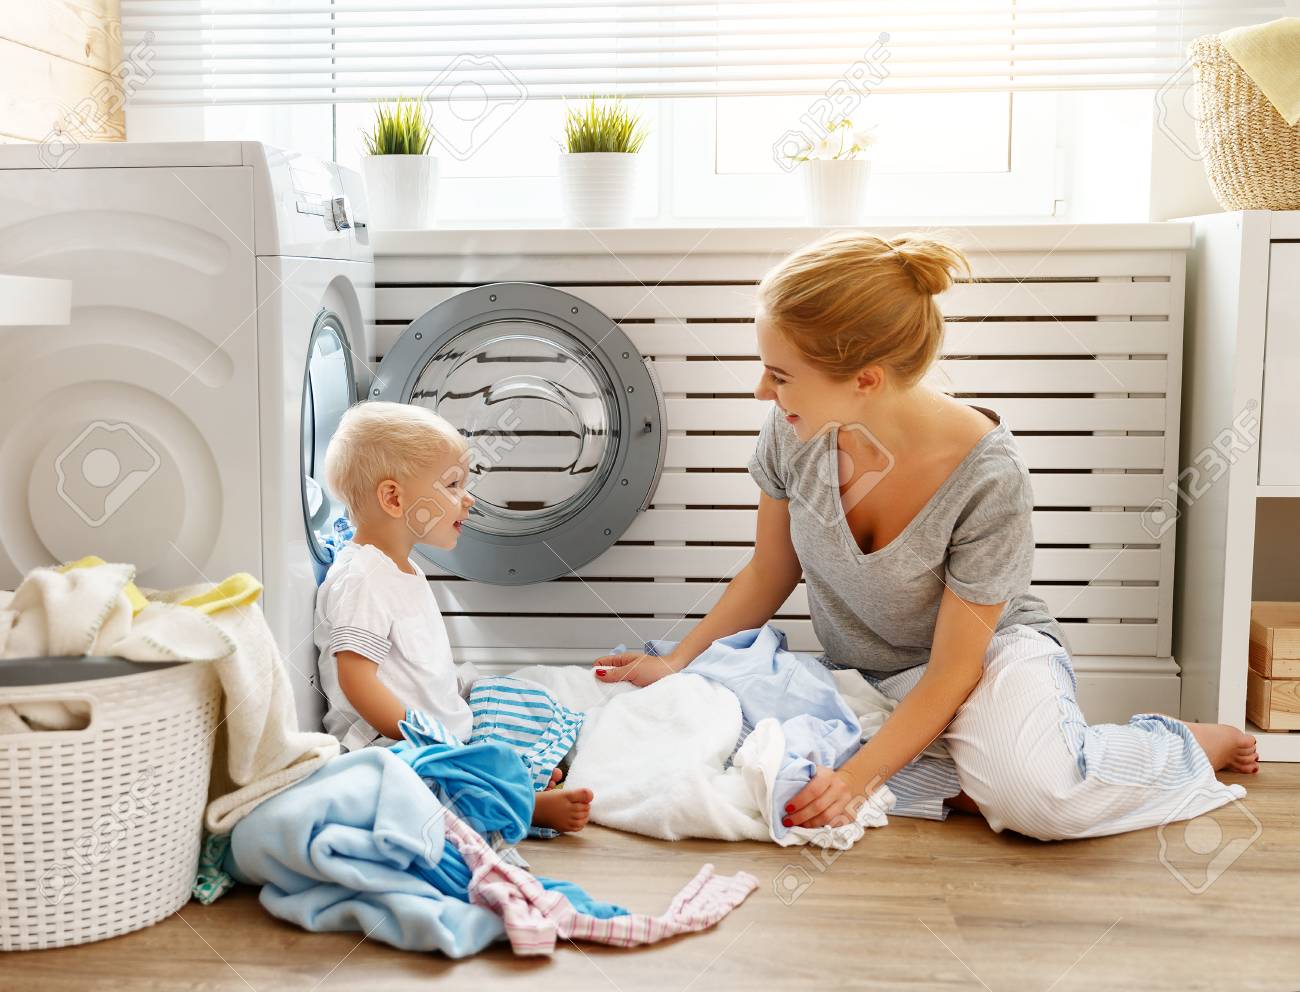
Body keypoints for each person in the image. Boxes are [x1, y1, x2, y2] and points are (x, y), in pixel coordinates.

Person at [593, 230, 1258, 841]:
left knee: (1042, 803)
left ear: (866, 381)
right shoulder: (792, 433)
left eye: (781, 373)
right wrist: (679, 663)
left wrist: (859, 780)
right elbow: (770, 571)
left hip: (985, 659)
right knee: (751, 751)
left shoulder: (989, 478)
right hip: (877, 676)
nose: (762, 390)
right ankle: (978, 773)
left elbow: (953, 669)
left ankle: (1180, 744)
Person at [315, 401, 592, 833]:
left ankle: (511, 772)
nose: (468, 499)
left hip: (433, 728)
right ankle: (525, 805)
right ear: (393, 498)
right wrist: (424, 736)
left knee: (508, 696)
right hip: (388, 742)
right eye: (452, 484)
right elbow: (357, 680)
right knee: (428, 784)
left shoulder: (402, 569)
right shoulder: (363, 576)